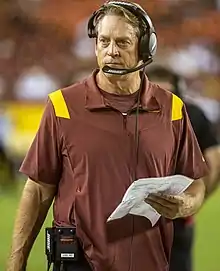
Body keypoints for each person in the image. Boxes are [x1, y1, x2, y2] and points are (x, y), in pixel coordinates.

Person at [7, 1, 208, 271]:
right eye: (103, 41)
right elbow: (38, 189)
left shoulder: (172, 109)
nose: (110, 51)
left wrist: (186, 204)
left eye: (122, 42)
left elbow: (195, 182)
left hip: (150, 263)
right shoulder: (62, 106)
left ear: (145, 48)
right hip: (78, 263)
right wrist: (16, 262)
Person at [147, 65, 220, 271]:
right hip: (179, 211)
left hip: (138, 215)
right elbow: (215, 162)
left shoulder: (131, 116)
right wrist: (197, 199)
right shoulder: (193, 114)